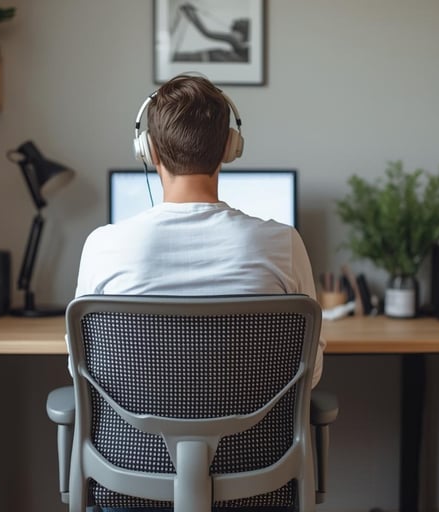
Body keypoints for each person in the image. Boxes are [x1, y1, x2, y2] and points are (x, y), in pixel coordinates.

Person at [74, 74, 324, 512]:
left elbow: (80, 373)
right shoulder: (283, 244)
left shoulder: (103, 246)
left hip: (128, 481)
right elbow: (311, 373)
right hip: (259, 479)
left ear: (148, 150)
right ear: (230, 147)